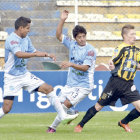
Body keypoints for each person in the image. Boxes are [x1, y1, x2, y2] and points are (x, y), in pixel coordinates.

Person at [0, 16, 78, 124]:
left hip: (24, 75)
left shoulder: (26, 39)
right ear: (21, 28)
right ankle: (63, 115)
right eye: (27, 28)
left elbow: (34, 51)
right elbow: (19, 54)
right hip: (12, 77)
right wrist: (35, 54)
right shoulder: (11, 40)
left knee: (48, 88)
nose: (29, 30)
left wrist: (47, 54)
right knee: (7, 108)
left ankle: (63, 115)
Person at [74, 24, 140, 133]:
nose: (135, 36)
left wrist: (133, 65)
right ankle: (80, 125)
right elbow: (113, 59)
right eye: (132, 34)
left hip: (129, 85)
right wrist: (111, 64)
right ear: (125, 36)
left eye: (134, 33)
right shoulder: (121, 48)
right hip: (116, 83)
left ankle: (124, 122)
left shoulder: (137, 51)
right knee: (99, 106)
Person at [47, 10, 97, 133]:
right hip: (71, 84)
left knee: (64, 105)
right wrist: (62, 20)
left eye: (84, 36)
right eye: (79, 37)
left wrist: (71, 64)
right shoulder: (72, 44)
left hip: (84, 85)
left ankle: (52, 128)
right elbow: (58, 36)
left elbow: (85, 67)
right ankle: (72, 112)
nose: (82, 39)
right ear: (75, 38)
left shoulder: (90, 50)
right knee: (57, 104)